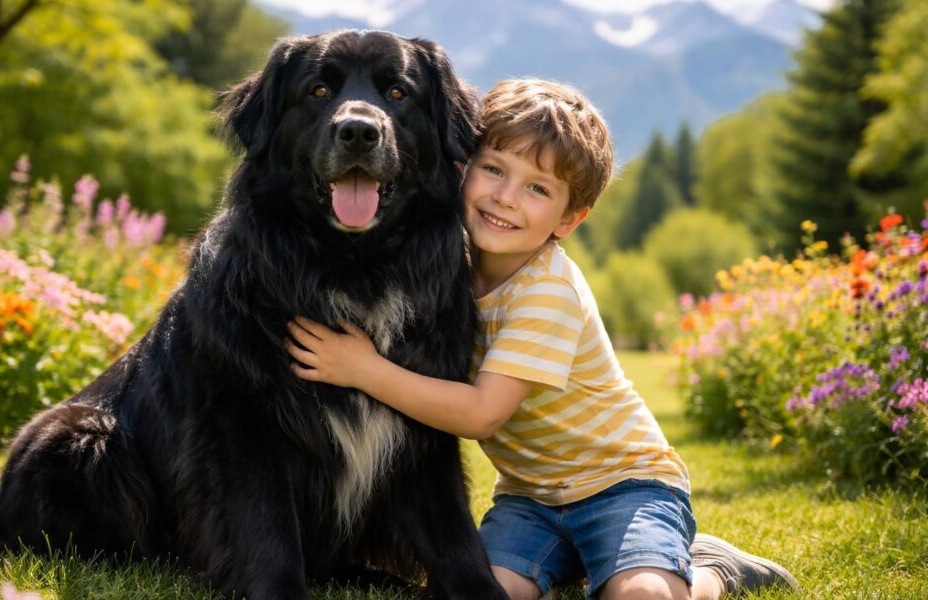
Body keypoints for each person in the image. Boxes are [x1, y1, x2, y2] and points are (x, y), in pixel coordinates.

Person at [285, 79, 797, 599]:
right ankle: (580, 562)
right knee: (481, 590)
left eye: (537, 189)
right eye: (494, 170)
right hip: (529, 500)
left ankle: (711, 569)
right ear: (462, 167)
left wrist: (363, 370)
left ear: (570, 219)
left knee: (642, 595)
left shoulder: (548, 292)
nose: (505, 199)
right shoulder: (446, 266)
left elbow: (483, 412)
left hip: (624, 487)